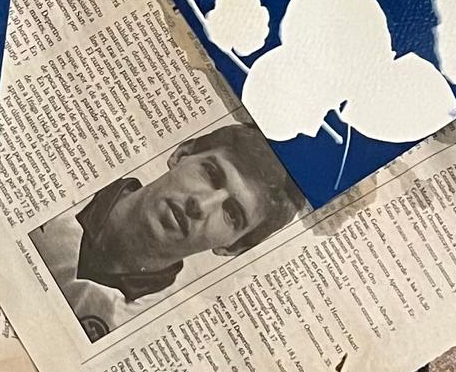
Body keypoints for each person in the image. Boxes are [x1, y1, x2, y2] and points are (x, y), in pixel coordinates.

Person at [31, 123, 305, 340]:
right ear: (181, 154)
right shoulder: (59, 174)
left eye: (232, 214)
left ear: (234, 247)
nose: (201, 205)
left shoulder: (158, 327)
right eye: (211, 174)